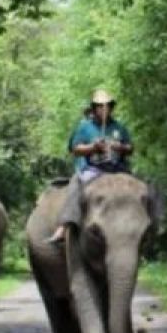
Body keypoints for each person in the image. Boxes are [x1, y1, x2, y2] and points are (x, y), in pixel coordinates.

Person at [48, 89, 134, 244]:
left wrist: (119, 147)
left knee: (139, 188)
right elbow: (75, 149)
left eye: (107, 106)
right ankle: (65, 225)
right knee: (77, 184)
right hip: (93, 170)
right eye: (100, 106)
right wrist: (93, 147)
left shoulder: (119, 128)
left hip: (118, 169)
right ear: (94, 109)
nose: (104, 109)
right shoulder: (84, 127)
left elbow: (130, 148)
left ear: (111, 108)